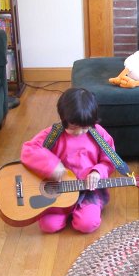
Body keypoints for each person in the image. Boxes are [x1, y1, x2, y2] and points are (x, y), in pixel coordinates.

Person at [21, 88, 117, 233]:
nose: (78, 132)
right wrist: (51, 165)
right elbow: (28, 150)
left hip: (88, 191)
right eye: (73, 127)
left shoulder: (98, 134)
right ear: (63, 119)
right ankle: (66, 210)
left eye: (84, 128)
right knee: (49, 226)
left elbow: (109, 160)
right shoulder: (53, 133)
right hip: (58, 191)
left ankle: (82, 209)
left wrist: (97, 172)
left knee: (87, 224)